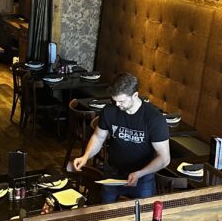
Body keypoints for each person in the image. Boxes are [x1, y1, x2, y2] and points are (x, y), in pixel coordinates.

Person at [73, 73, 170, 203]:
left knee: (141, 218)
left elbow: (164, 158)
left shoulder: (154, 119)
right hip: (113, 173)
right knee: (106, 214)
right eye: (115, 101)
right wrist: (86, 156)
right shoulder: (109, 111)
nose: (117, 105)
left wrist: (139, 173)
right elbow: (98, 137)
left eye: (122, 101)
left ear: (135, 95)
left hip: (142, 178)